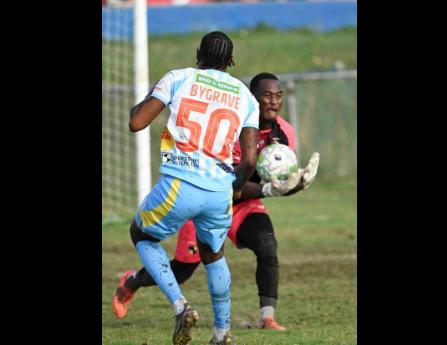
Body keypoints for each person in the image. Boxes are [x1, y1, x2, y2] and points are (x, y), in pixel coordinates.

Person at [114, 72, 319, 338]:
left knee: (268, 246)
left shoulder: (285, 133)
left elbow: (270, 182)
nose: (274, 102)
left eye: (278, 96)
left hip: (243, 205)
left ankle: (267, 317)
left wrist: (290, 185)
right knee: (183, 269)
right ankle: (133, 281)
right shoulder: (237, 128)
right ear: (253, 99)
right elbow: (231, 182)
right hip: (211, 200)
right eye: (267, 96)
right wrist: (272, 189)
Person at [112, 31, 261, 345]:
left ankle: (181, 306)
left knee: (141, 235)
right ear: (231, 61)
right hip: (220, 190)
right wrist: (233, 187)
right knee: (214, 255)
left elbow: (137, 122)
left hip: (180, 184)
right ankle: (222, 334)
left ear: (198, 54)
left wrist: (154, 94)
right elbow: (248, 159)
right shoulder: (246, 96)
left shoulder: (179, 78)